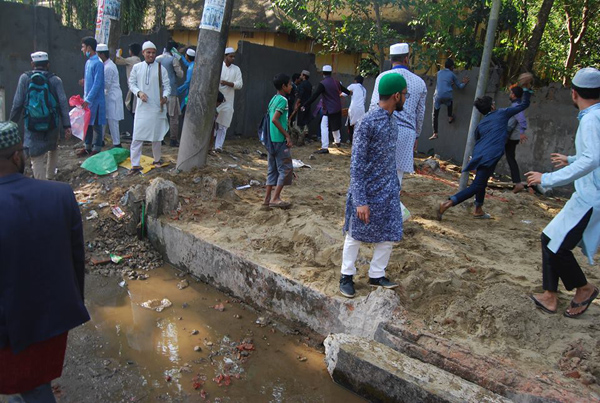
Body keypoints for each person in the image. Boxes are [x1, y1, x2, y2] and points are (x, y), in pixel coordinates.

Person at [0, 121, 89, 401]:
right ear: (17, 156)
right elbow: (76, 263)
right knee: (36, 388)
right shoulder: (60, 195)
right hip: (45, 326)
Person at [525, 67, 600, 318]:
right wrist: (572, 158)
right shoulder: (595, 115)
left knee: (556, 245)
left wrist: (547, 179)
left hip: (590, 197)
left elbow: (591, 159)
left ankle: (584, 289)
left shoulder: (590, 119)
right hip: (589, 194)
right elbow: (592, 156)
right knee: (550, 239)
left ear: (574, 93)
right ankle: (550, 296)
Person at [339, 74, 408, 298]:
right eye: (404, 94)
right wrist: (361, 200)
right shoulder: (367, 123)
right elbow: (356, 164)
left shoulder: (393, 121)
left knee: (389, 233)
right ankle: (346, 276)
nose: (405, 98)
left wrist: (394, 188)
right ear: (396, 95)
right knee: (355, 233)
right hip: (367, 190)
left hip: (388, 190)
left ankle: (376, 275)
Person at [437, 73, 533, 220]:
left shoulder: (481, 124)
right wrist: (526, 90)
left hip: (480, 155)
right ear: (492, 106)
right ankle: (448, 203)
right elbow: (524, 105)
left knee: (482, 181)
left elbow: (478, 139)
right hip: (491, 155)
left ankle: (478, 209)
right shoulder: (502, 114)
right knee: (477, 185)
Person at [370, 43, 427, 189]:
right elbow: (419, 114)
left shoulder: (382, 77)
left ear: (391, 59)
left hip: (382, 129)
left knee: (378, 172)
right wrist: (417, 135)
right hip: (407, 134)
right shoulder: (419, 82)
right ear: (406, 59)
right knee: (397, 176)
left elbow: (373, 107)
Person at [9, 51, 72, 180]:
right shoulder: (55, 80)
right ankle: (50, 178)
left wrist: (12, 123)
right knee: (52, 148)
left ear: (32, 64)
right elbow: (63, 104)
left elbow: (17, 103)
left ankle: (41, 184)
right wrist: (66, 125)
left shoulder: (25, 78)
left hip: (32, 124)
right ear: (48, 65)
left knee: (36, 158)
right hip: (52, 123)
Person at [127, 41, 171, 174]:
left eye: (153, 52)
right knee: (137, 136)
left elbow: (167, 86)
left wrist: (165, 97)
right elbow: (132, 83)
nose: (151, 55)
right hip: (142, 108)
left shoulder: (160, 68)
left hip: (157, 108)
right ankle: (135, 164)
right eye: (148, 52)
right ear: (143, 53)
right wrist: (139, 93)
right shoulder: (137, 67)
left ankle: (157, 160)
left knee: (156, 136)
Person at [302, 65, 352, 154]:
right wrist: (350, 93)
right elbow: (347, 91)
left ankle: (324, 147)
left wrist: (305, 105)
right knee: (335, 125)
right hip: (337, 108)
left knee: (324, 126)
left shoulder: (323, 83)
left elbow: (315, 95)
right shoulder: (336, 82)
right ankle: (337, 142)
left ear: (323, 73)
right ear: (331, 73)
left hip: (328, 109)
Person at [262, 73, 294, 209]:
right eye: (290, 84)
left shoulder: (273, 99)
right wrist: (287, 135)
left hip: (271, 140)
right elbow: (275, 119)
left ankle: (266, 200)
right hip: (279, 139)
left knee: (272, 169)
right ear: (284, 86)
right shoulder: (283, 100)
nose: (291, 86)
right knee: (286, 169)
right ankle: (275, 198)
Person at [76, 36, 106, 157]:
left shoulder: (98, 64)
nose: (82, 49)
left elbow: (97, 84)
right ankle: (87, 147)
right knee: (87, 124)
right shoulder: (88, 62)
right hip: (87, 100)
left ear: (89, 47)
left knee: (97, 125)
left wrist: (88, 99)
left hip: (96, 101)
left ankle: (97, 148)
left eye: (83, 47)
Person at [429, 58, 470, 140]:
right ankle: (450, 117)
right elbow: (460, 87)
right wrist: (464, 83)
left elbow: (442, 83)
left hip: (438, 96)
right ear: (452, 67)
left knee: (435, 115)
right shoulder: (452, 75)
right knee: (449, 101)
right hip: (447, 95)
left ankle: (435, 133)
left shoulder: (439, 73)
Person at [156, 40, 184, 147]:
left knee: (160, 116)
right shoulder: (173, 60)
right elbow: (180, 74)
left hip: (159, 91)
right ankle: (173, 139)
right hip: (171, 91)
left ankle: (159, 138)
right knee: (173, 117)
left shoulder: (158, 59)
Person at [215, 47, 243, 152]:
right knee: (213, 125)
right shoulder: (218, 67)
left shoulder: (236, 69)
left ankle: (218, 146)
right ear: (225, 56)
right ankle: (209, 146)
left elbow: (239, 85)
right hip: (216, 101)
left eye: (234, 57)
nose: (233, 59)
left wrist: (227, 83)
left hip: (228, 101)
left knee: (223, 125)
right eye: (231, 56)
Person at [97, 44, 124, 148]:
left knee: (113, 121)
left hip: (112, 96)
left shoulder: (108, 67)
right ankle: (101, 140)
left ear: (102, 55)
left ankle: (117, 143)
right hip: (108, 97)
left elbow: (106, 85)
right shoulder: (106, 65)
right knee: (104, 119)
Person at [504, 85, 528, 193]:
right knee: (510, 158)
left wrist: (522, 132)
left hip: (510, 136)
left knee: (495, 153)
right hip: (511, 136)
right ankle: (517, 182)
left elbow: (522, 120)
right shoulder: (516, 105)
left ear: (513, 95)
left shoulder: (516, 106)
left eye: (511, 93)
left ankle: (482, 173)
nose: (510, 94)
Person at [116, 43, 142, 115]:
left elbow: (117, 61)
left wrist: (117, 54)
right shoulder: (139, 60)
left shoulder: (130, 60)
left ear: (131, 51)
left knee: (132, 109)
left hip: (133, 89)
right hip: (138, 87)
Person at [345, 75, 367, 142]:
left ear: (355, 81)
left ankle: (350, 140)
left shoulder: (353, 86)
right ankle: (357, 141)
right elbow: (364, 100)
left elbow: (344, 93)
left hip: (353, 108)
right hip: (361, 109)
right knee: (359, 126)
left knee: (350, 124)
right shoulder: (364, 89)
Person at [294, 70, 313, 143]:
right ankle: (306, 136)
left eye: (301, 75)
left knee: (300, 121)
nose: (300, 76)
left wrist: (296, 104)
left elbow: (300, 96)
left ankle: (300, 137)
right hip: (307, 105)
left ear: (304, 76)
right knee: (305, 121)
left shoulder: (302, 85)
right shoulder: (309, 85)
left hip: (302, 105)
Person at [177, 48, 196, 115]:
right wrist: (179, 55)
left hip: (189, 95)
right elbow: (186, 63)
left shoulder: (191, 68)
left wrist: (178, 91)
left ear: (187, 56)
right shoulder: (193, 64)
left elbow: (187, 83)